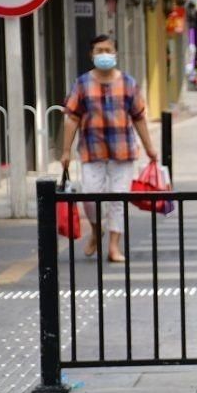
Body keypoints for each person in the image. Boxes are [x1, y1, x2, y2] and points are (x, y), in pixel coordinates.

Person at [60, 34, 158, 262]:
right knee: (90, 197)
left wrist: (150, 148)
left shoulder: (128, 83)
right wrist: (65, 151)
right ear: (91, 55)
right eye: (99, 51)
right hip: (91, 151)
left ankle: (114, 246)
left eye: (107, 50)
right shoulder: (82, 83)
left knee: (119, 199)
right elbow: (71, 118)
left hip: (122, 152)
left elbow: (139, 117)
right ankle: (95, 231)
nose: (104, 55)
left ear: (115, 53)